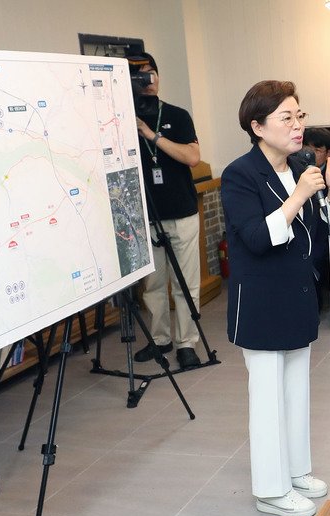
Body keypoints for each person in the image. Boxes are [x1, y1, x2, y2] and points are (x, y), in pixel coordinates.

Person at [220, 80, 330, 516]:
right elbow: (258, 239)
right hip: (261, 302)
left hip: (296, 296)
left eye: (300, 116)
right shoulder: (240, 174)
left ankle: (296, 471)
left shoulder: (299, 164)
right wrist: (302, 194)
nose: (298, 126)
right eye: (286, 118)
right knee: (267, 399)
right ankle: (270, 490)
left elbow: (315, 236)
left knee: (297, 392)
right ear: (257, 126)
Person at [127, 53, 205, 370]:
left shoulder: (176, 115)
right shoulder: (122, 119)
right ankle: (160, 340)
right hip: (146, 216)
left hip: (183, 212)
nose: (149, 80)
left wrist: (152, 135)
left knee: (186, 284)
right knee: (154, 286)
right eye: (141, 76)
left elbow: (192, 157)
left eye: (152, 73)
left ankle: (187, 344)